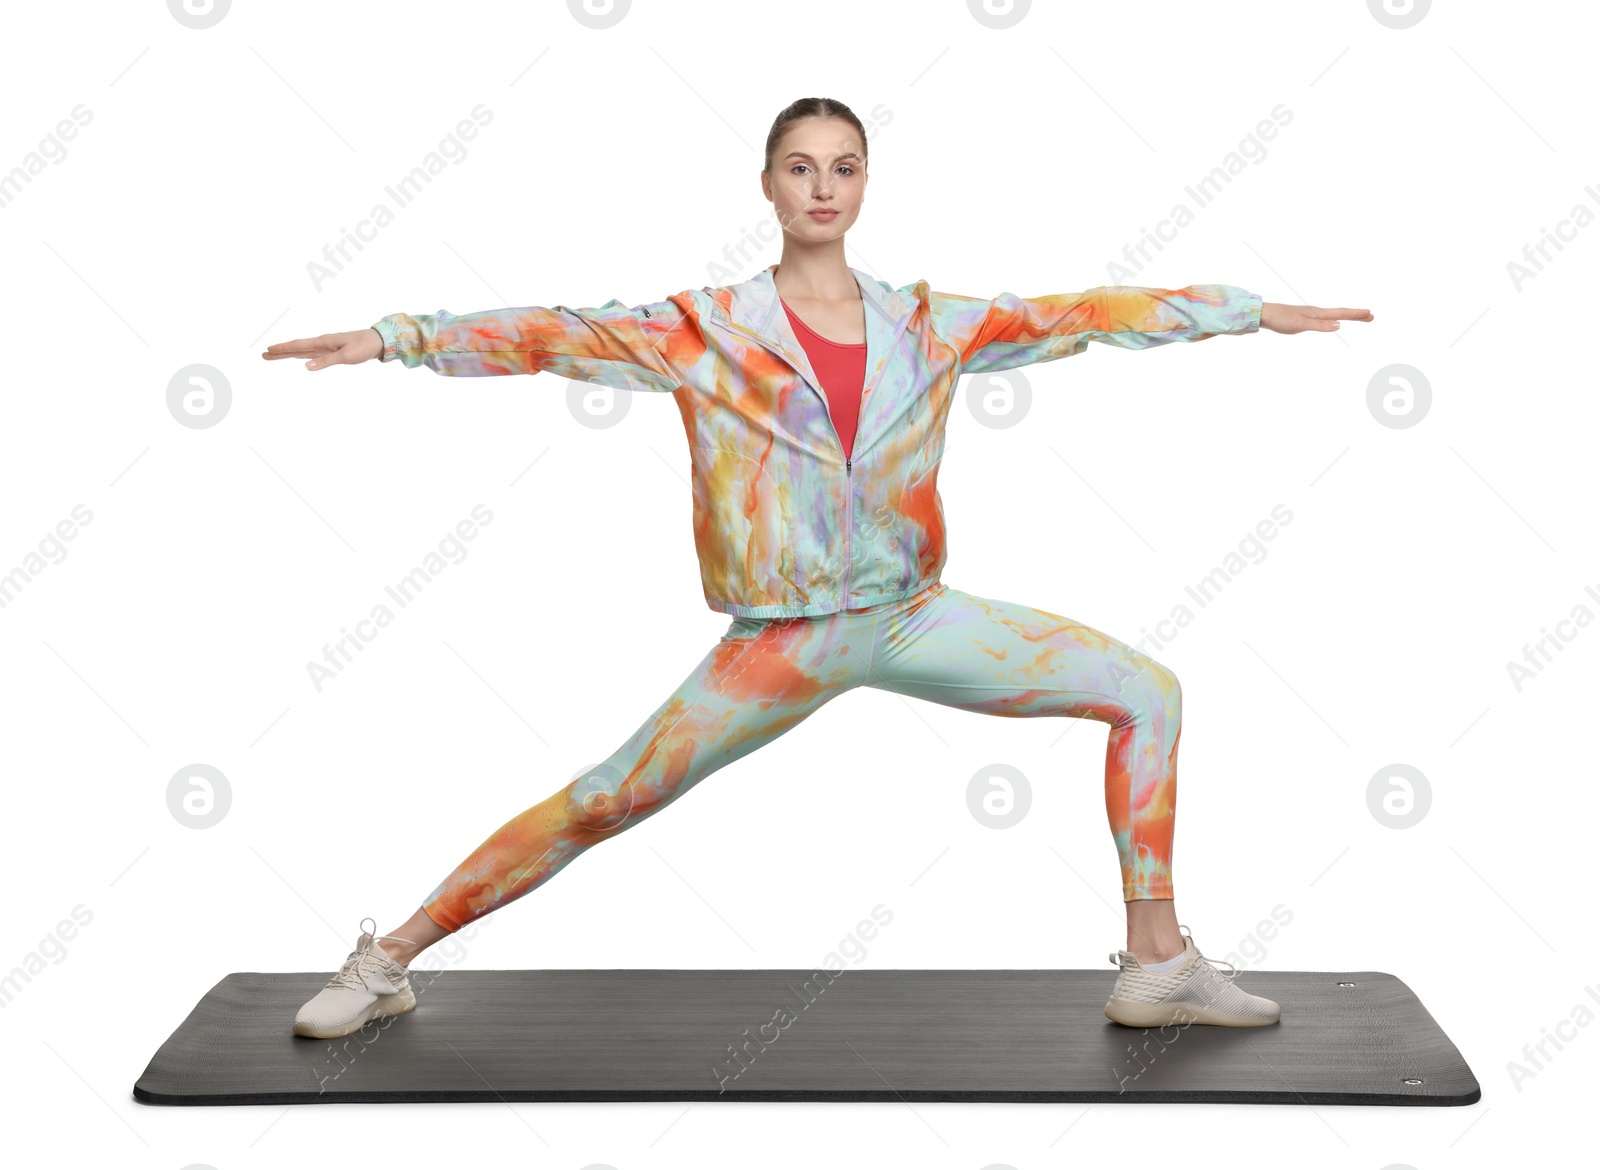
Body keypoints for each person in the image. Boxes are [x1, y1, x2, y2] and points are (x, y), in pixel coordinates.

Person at [263, 96, 1373, 1040]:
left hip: (912, 616)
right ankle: (388, 960)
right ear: (768, 185)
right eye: (801, 167)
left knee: (1149, 693)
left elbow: (1084, 314)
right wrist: (394, 336)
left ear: (865, 184)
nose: (823, 186)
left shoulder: (928, 325)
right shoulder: (706, 331)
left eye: (844, 167)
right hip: (782, 642)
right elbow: (554, 334)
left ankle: (1156, 962)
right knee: (607, 797)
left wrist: (1246, 313)